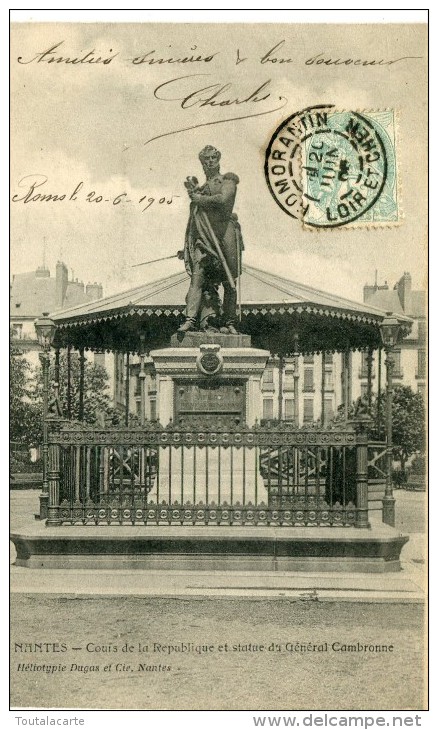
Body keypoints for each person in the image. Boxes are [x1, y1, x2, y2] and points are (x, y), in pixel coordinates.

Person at [177, 145, 244, 334]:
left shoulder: (228, 180)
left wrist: (198, 199)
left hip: (225, 234)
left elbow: (224, 201)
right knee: (197, 279)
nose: (210, 162)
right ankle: (190, 319)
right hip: (203, 239)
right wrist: (187, 247)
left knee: (229, 281)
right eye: (205, 159)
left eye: (213, 158)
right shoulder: (201, 189)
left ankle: (230, 322)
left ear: (218, 159)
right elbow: (193, 221)